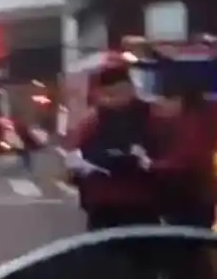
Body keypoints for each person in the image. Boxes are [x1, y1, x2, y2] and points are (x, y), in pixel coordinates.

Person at [63, 61, 159, 231]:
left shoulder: (151, 116)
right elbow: (75, 158)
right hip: (105, 204)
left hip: (139, 203)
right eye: (109, 94)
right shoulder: (93, 120)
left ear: (130, 89)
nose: (113, 99)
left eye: (118, 92)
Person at [146, 77, 216, 229]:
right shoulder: (180, 121)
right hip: (189, 197)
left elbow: (187, 159)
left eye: (165, 100)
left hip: (190, 197)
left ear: (179, 100)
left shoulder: (192, 125)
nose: (160, 105)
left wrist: (152, 165)